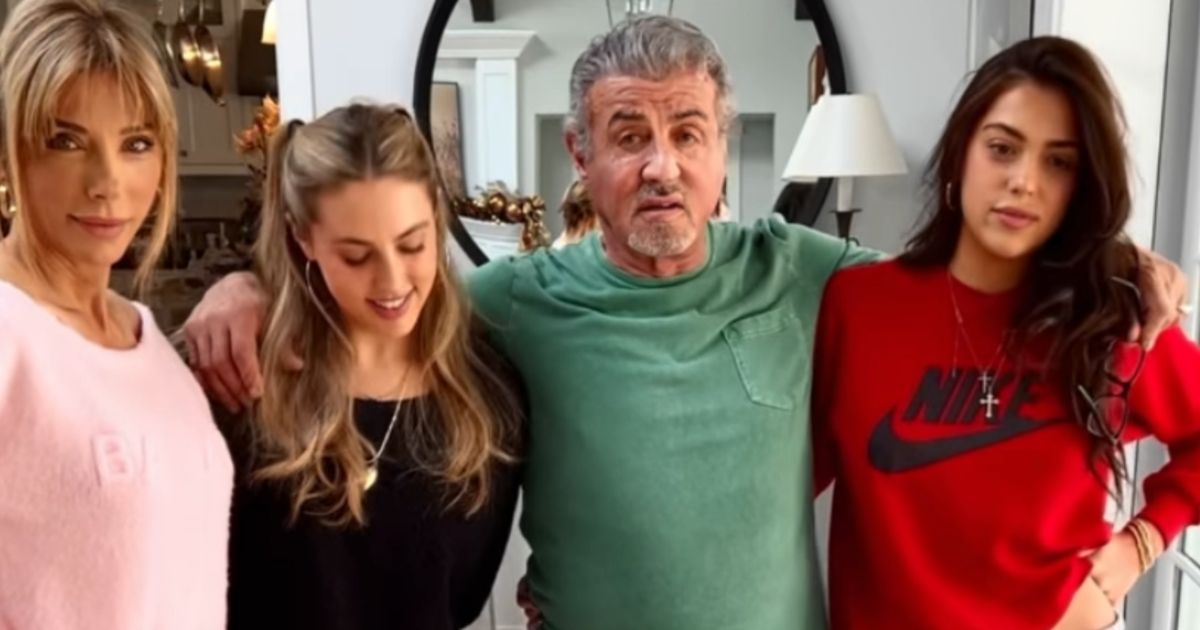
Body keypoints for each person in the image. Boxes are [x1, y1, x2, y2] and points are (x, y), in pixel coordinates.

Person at [181, 17, 1188, 630]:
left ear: (722, 153)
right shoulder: (509, 303)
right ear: (581, 156)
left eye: (687, 132)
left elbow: (968, 291)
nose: (660, 164)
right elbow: (381, 295)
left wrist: (1109, 264)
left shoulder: (811, 274)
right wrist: (246, 288)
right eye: (629, 135)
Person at [812, 36, 1200, 630]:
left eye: (1058, 162)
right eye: (1002, 148)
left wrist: (1139, 545)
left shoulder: (1113, 319)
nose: (1024, 181)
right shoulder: (857, 306)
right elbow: (781, 477)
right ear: (960, 154)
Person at [219, 103, 525, 630]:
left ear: (436, 217)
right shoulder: (243, 379)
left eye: (412, 245)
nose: (392, 282)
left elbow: (463, 597)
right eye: (357, 256)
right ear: (302, 237)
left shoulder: (489, 395)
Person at [0, 1, 231, 628]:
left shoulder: (145, 338)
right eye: (66, 141)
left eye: (135, 144)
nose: (107, 182)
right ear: (10, 154)